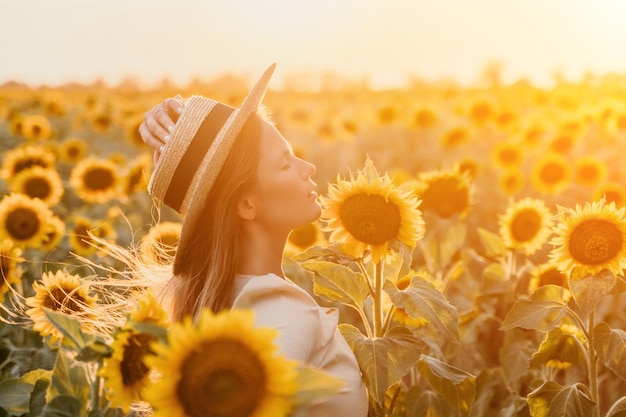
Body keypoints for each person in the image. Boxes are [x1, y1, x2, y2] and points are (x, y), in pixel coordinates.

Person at [138, 63, 368, 417]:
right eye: (285, 162)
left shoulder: (217, 302)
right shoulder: (280, 311)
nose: (308, 167)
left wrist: (187, 125)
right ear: (246, 204)